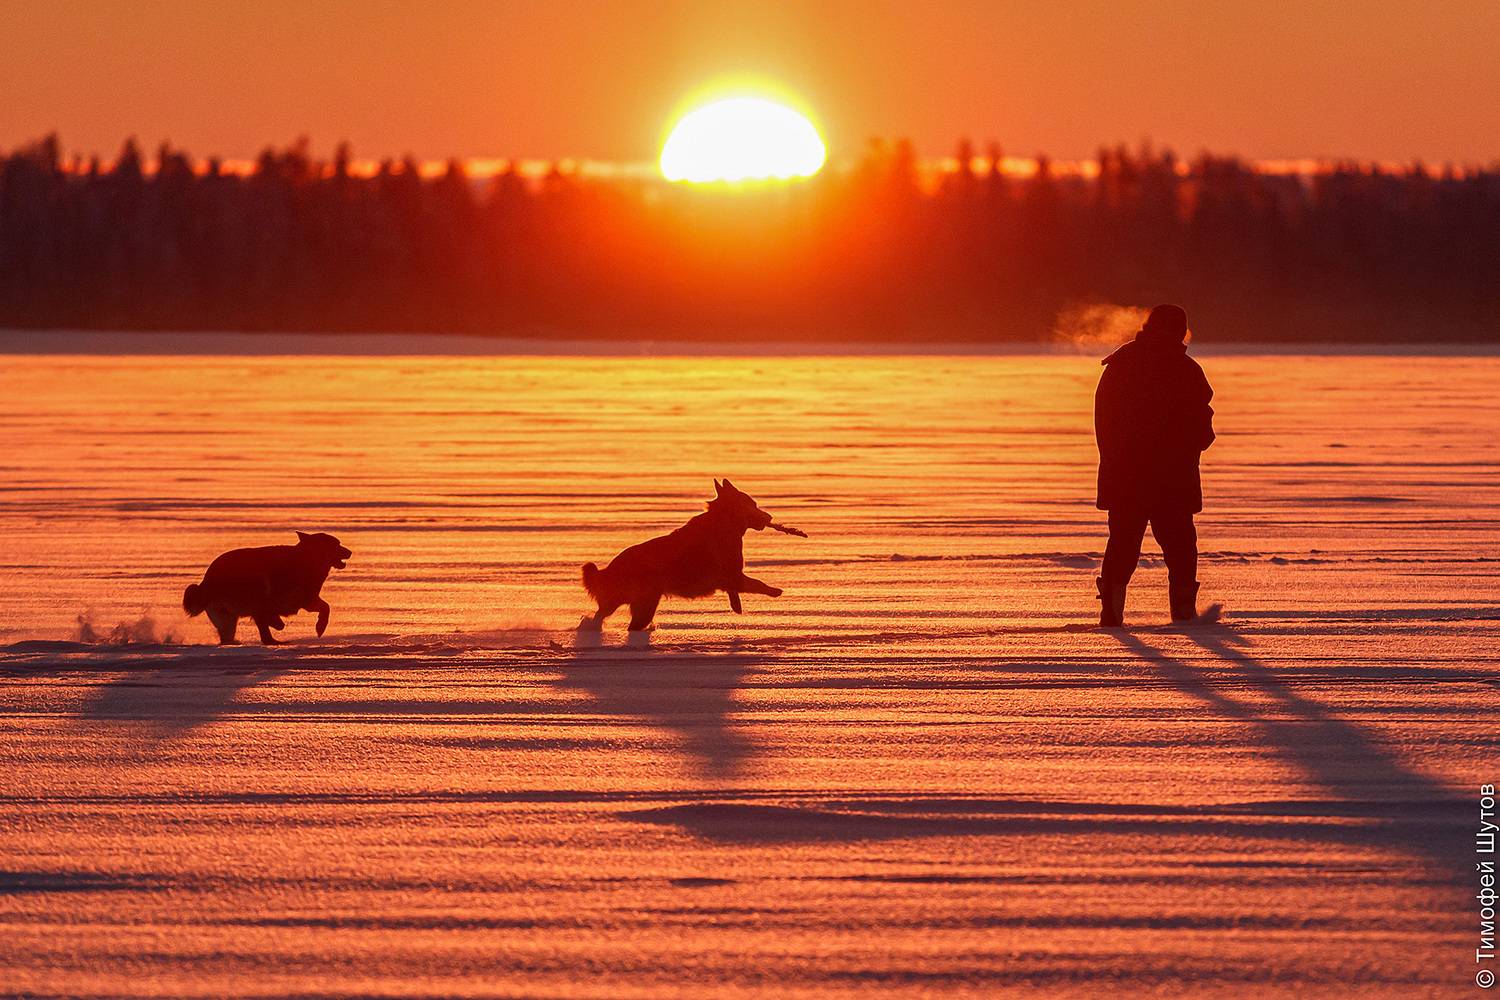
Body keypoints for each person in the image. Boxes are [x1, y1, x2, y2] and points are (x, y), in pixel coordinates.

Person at [1093, 304, 1215, 626]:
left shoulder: (1119, 365)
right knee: (1180, 546)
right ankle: (1184, 612)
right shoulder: (1186, 370)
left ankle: (1112, 611)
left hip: (1125, 476)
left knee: (1123, 542)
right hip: (1172, 478)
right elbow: (1202, 429)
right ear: (1180, 331)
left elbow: (1104, 424)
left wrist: (1115, 461)